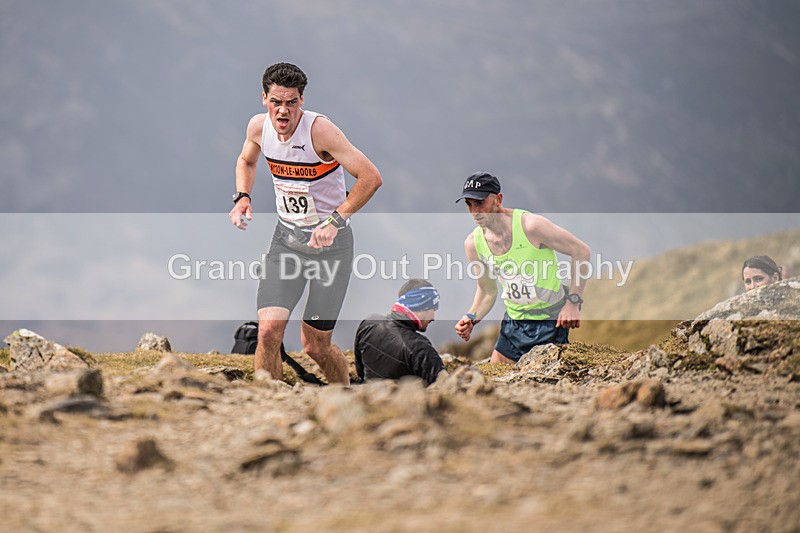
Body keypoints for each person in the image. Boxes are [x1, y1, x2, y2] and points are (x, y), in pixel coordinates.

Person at [229, 62, 382, 383]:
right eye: (276, 102)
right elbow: (246, 159)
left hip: (331, 248)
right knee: (268, 331)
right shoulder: (258, 128)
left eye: (291, 103)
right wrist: (242, 196)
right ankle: (268, 401)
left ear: (302, 101)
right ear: (264, 99)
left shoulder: (320, 132)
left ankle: (343, 398)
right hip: (286, 242)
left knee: (314, 345)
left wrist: (336, 221)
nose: (283, 112)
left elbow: (371, 177)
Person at [454, 172, 591, 364]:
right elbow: (486, 290)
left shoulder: (532, 226)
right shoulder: (473, 244)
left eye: (480, 202)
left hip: (549, 321)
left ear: (498, 199)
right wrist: (471, 317)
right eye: (469, 204)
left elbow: (581, 251)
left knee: (543, 385)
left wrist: (573, 303)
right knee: (495, 385)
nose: (474, 211)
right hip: (514, 322)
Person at [354, 279, 444, 386]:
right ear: (420, 306)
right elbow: (443, 390)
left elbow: (360, 371)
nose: (433, 317)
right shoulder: (420, 348)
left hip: (367, 398)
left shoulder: (368, 323)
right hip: (401, 402)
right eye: (433, 309)